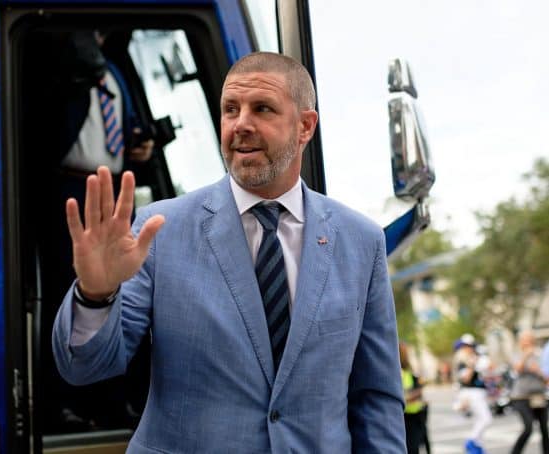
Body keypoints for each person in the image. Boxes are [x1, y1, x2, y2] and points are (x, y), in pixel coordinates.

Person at [53, 51, 406, 452]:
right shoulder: (159, 230)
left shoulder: (361, 240)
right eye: (230, 109)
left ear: (305, 126)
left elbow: (377, 399)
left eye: (262, 109)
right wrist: (95, 296)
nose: (241, 125)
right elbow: (85, 367)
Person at [37, 29, 154, 432]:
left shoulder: (118, 73)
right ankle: (64, 403)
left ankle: (115, 402)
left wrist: (140, 146)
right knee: (68, 294)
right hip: (70, 188)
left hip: (117, 189)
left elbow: (126, 128)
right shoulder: (62, 73)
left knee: (124, 292)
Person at [509, 330, 549, 454]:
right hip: (521, 396)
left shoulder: (540, 354)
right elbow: (517, 369)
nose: (527, 342)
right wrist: (526, 355)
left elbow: (546, 375)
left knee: (544, 428)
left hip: (539, 395)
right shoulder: (516, 354)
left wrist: (538, 371)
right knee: (528, 427)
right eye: (525, 340)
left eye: (529, 340)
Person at [453, 334, 492, 454]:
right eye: (467, 346)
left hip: (479, 392)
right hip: (471, 393)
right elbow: (465, 379)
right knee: (486, 419)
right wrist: (472, 365)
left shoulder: (476, 357)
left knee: (480, 420)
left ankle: (477, 445)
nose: (469, 348)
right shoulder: (462, 361)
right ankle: (472, 440)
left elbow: (489, 367)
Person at [400, 342, 430, 454]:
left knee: (420, 444)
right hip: (407, 416)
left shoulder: (408, 370)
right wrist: (418, 392)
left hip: (416, 414)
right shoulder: (400, 372)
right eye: (406, 352)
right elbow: (405, 397)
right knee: (411, 448)